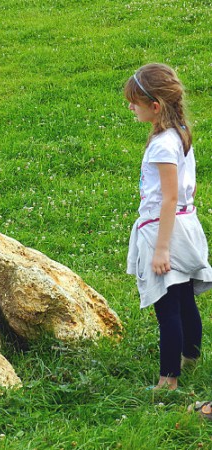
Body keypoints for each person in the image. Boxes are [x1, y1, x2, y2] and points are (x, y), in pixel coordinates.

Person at [125, 63, 212, 390]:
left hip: (165, 230)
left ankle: (168, 381)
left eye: (135, 101)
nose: (131, 107)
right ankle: (190, 358)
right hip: (186, 224)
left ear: (155, 106)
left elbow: (168, 198)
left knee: (168, 308)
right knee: (185, 299)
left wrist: (161, 249)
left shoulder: (163, 144)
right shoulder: (180, 132)